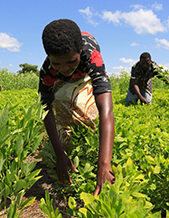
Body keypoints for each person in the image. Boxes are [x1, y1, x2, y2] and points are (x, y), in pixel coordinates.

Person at [38, 19, 115, 196]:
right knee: (63, 126)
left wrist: (104, 165)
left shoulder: (91, 55)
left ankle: (86, 145)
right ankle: (67, 149)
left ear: (80, 51)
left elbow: (106, 110)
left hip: (83, 76)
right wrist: (59, 154)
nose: (64, 68)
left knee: (86, 113)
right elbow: (46, 109)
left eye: (71, 61)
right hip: (61, 84)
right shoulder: (48, 70)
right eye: (57, 63)